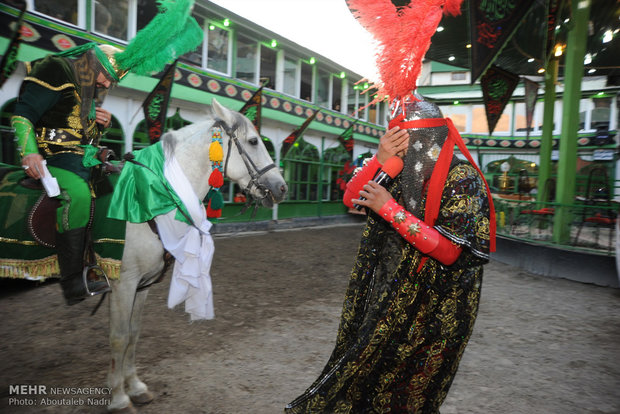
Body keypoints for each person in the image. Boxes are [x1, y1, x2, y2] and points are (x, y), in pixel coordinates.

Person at [285, 97, 496, 413]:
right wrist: (381, 159)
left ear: (429, 141)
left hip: (439, 307)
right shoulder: (401, 166)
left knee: (410, 393)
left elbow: (450, 252)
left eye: (409, 144)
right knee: (365, 379)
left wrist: (388, 207)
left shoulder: (462, 178)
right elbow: (353, 200)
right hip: (392, 298)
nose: (404, 154)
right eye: (397, 143)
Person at [11, 43, 122, 305]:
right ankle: (72, 281)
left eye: (111, 81)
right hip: (53, 159)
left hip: (83, 159)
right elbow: (23, 114)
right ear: (94, 62)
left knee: (116, 186)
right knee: (79, 196)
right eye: (106, 75)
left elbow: (82, 137)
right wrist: (29, 152)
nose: (106, 84)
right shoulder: (57, 68)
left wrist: (98, 127)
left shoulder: (88, 89)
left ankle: (95, 261)